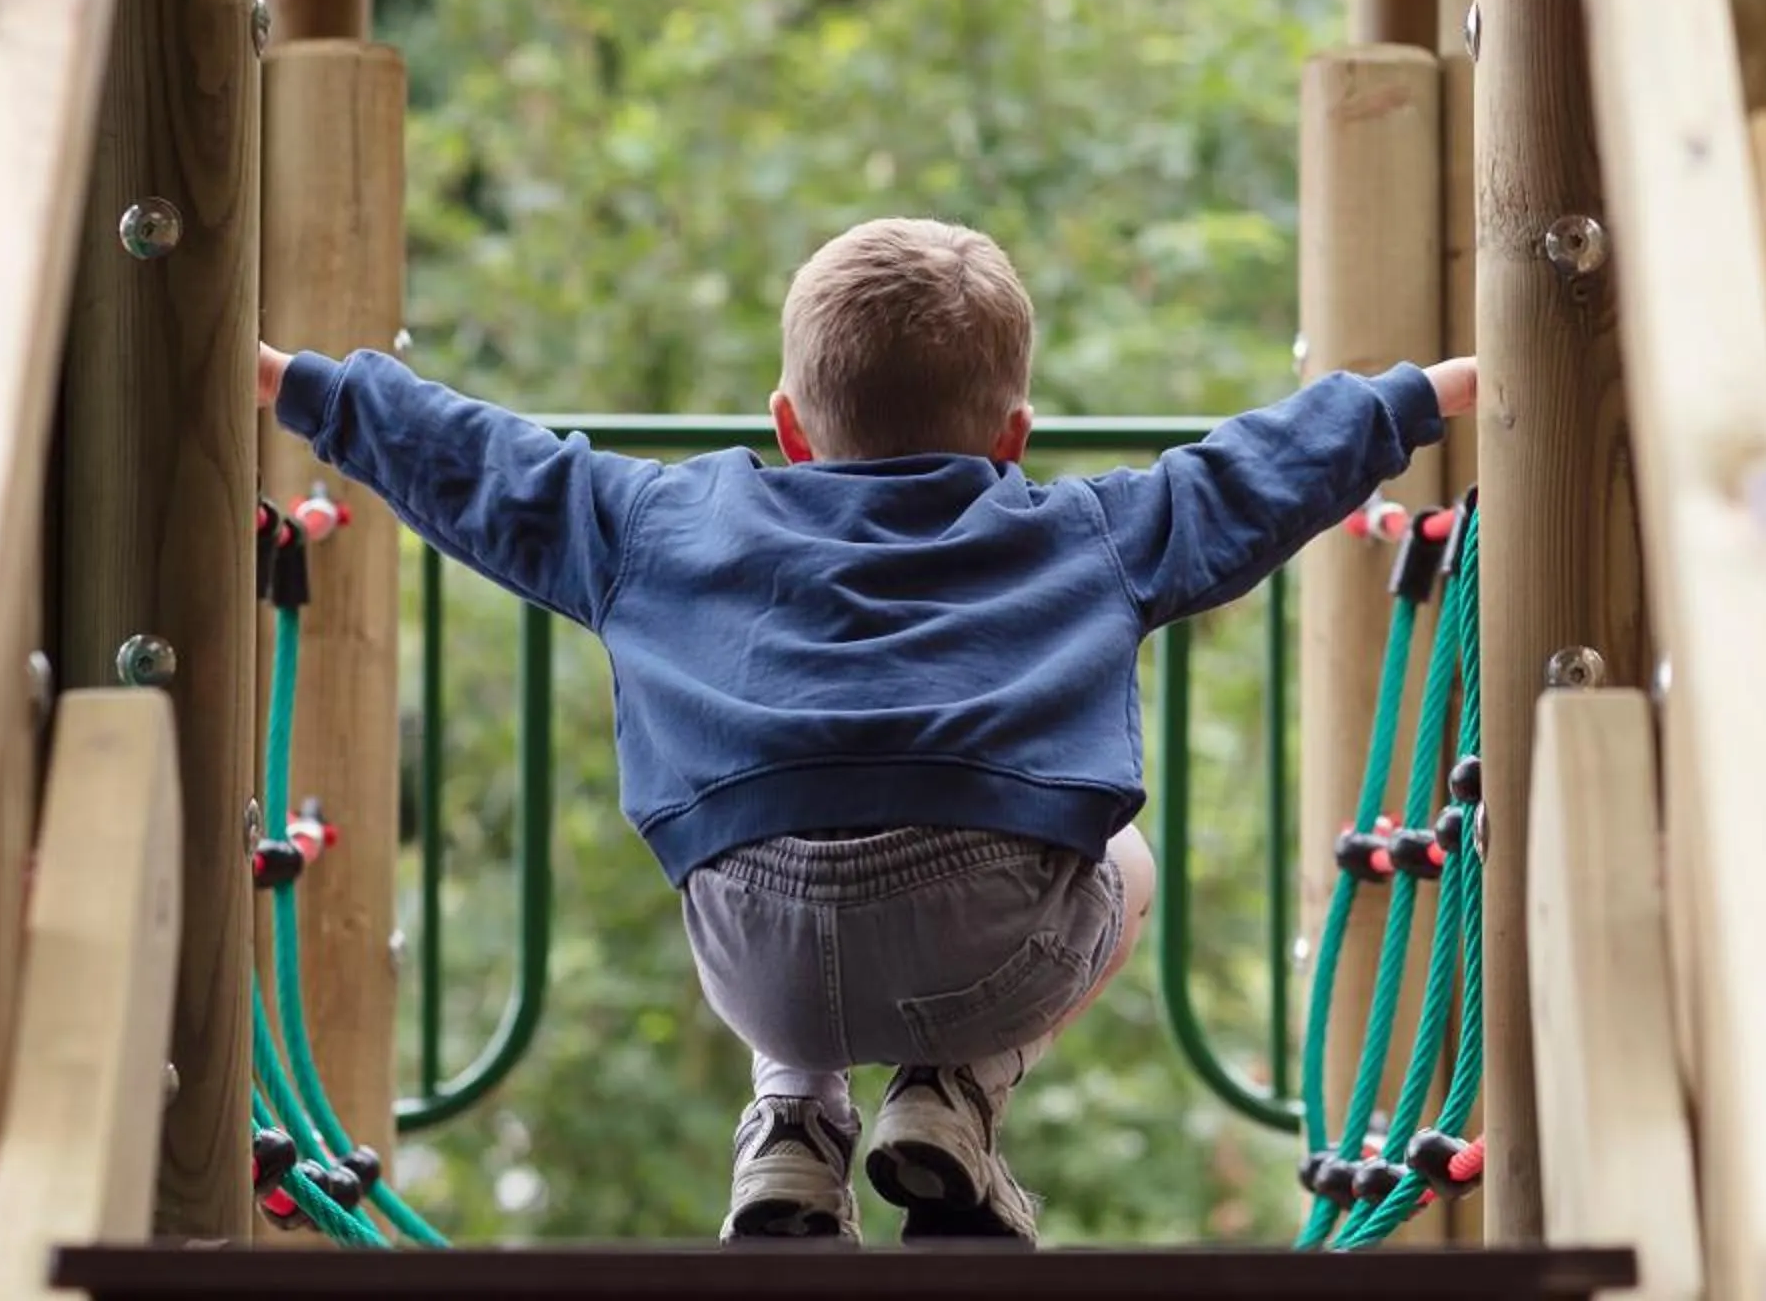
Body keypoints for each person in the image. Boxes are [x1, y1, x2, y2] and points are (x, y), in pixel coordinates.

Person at [256, 217, 1474, 1245]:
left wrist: (302, 386)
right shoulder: (1088, 531)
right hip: (991, 930)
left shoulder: (658, 520)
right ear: (1014, 436)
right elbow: (1249, 475)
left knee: (778, 830)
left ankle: (791, 1122)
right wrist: (1420, 396)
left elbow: (481, 461)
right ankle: (957, 1091)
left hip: (757, 951)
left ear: (789, 427)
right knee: (1127, 866)